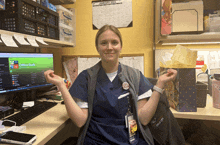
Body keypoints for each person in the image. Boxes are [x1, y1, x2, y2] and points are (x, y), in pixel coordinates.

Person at [44, 25, 178, 145]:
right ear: (97, 48)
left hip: (130, 139)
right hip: (96, 140)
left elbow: (143, 119)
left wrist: (160, 83)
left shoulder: (134, 76)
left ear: (120, 46)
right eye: (104, 43)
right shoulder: (87, 78)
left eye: (114, 42)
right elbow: (80, 121)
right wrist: (61, 85)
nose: (109, 47)